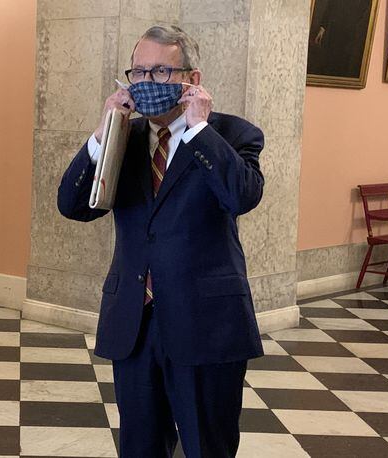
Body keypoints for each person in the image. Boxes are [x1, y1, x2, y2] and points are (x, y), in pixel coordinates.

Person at [58, 25, 264, 457]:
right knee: (140, 446)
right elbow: (73, 205)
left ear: (193, 78)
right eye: (140, 72)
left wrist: (198, 129)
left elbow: (240, 196)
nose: (148, 83)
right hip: (135, 322)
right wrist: (103, 132)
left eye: (162, 72)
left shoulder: (233, 135)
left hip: (205, 322)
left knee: (208, 445)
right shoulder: (124, 140)